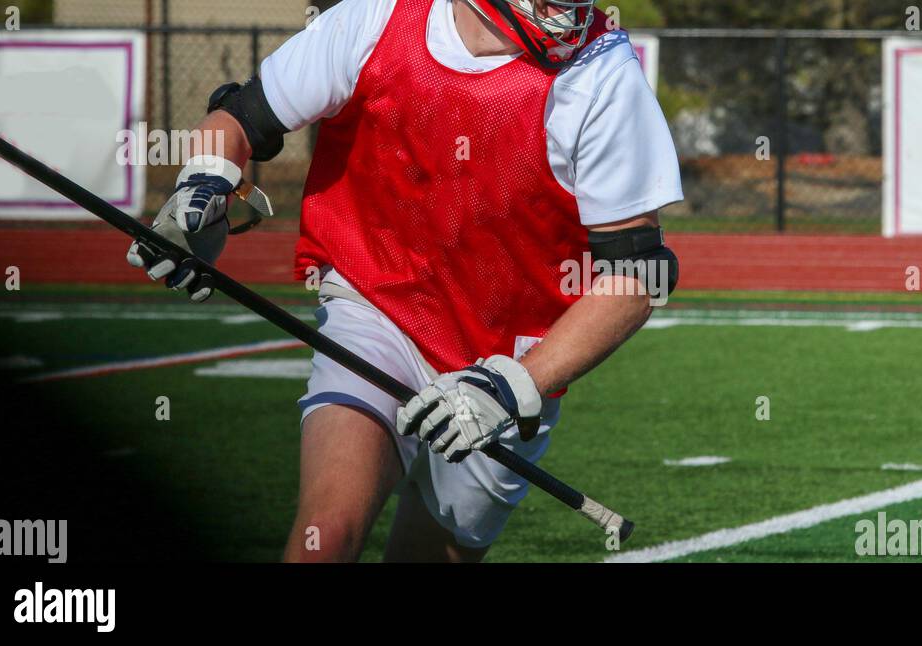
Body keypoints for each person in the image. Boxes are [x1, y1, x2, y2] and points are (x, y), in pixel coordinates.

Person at [126, 0, 682, 562]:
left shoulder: (603, 73)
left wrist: (516, 383)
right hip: (375, 307)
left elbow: (636, 275)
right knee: (327, 533)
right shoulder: (379, 16)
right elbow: (240, 119)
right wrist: (201, 189)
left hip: (508, 360)